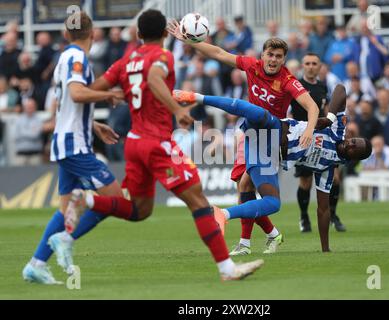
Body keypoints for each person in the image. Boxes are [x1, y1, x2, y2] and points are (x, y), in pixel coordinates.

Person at [50, 9, 263, 282]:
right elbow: (153, 79)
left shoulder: (125, 61)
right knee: (197, 199)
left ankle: (87, 198)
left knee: (140, 210)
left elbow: (92, 90)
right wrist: (176, 109)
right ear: (164, 34)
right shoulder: (163, 56)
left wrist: (103, 105)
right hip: (157, 143)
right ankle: (227, 269)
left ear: (138, 35)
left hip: (134, 142)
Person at [167, 22, 320, 256]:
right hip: (249, 132)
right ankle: (257, 240)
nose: (273, 60)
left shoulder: (288, 80)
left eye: (279, 56)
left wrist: (309, 129)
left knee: (258, 192)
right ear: (263, 55)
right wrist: (189, 41)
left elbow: (311, 107)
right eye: (270, 54)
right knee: (244, 185)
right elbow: (219, 53)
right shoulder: (252, 66)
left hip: (270, 139)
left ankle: (254, 236)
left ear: (284, 59)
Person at [173, 84, 372, 252]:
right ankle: (197, 97)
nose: (351, 143)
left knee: (266, 199)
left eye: (355, 148)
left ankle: (225, 216)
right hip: (274, 129)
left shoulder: (327, 170)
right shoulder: (338, 130)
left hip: (268, 156)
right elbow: (340, 90)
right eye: (354, 140)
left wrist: (325, 249)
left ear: (354, 158)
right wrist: (329, 118)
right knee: (255, 113)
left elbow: (323, 209)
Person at [22, 11, 127, 285]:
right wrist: (110, 93)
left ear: (66, 34)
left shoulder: (64, 59)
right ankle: (65, 239)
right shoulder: (77, 58)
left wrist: (93, 124)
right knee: (114, 200)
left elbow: (69, 103)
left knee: (66, 208)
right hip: (74, 145)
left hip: (68, 139)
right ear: (93, 34)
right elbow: (78, 94)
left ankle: (36, 264)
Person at [292, 53, 346, 233]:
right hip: (303, 138)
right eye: (307, 63)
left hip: (322, 138)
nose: (310, 66)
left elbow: (325, 110)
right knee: (305, 181)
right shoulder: (296, 85)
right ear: (302, 65)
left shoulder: (323, 87)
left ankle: (333, 215)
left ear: (320, 66)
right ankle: (303, 216)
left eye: (314, 63)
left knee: (335, 179)